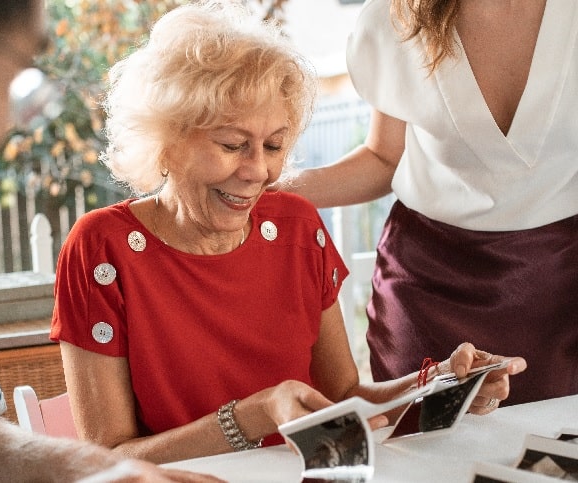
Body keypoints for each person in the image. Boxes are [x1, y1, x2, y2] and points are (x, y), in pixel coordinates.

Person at [50, 0, 527, 466]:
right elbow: (106, 460)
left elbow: (344, 397)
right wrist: (249, 418)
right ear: (168, 141)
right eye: (233, 145)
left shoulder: (297, 227)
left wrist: (440, 384)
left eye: (274, 145)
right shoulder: (102, 249)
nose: (259, 170)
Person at [280, 0, 577, 406]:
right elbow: (385, 158)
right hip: (426, 290)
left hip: (562, 289)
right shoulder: (396, 15)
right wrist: (265, 188)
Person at [0, 0, 221, 481]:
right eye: (16, 75)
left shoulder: (296, 228)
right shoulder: (101, 246)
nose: (10, 122)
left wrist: (103, 471)